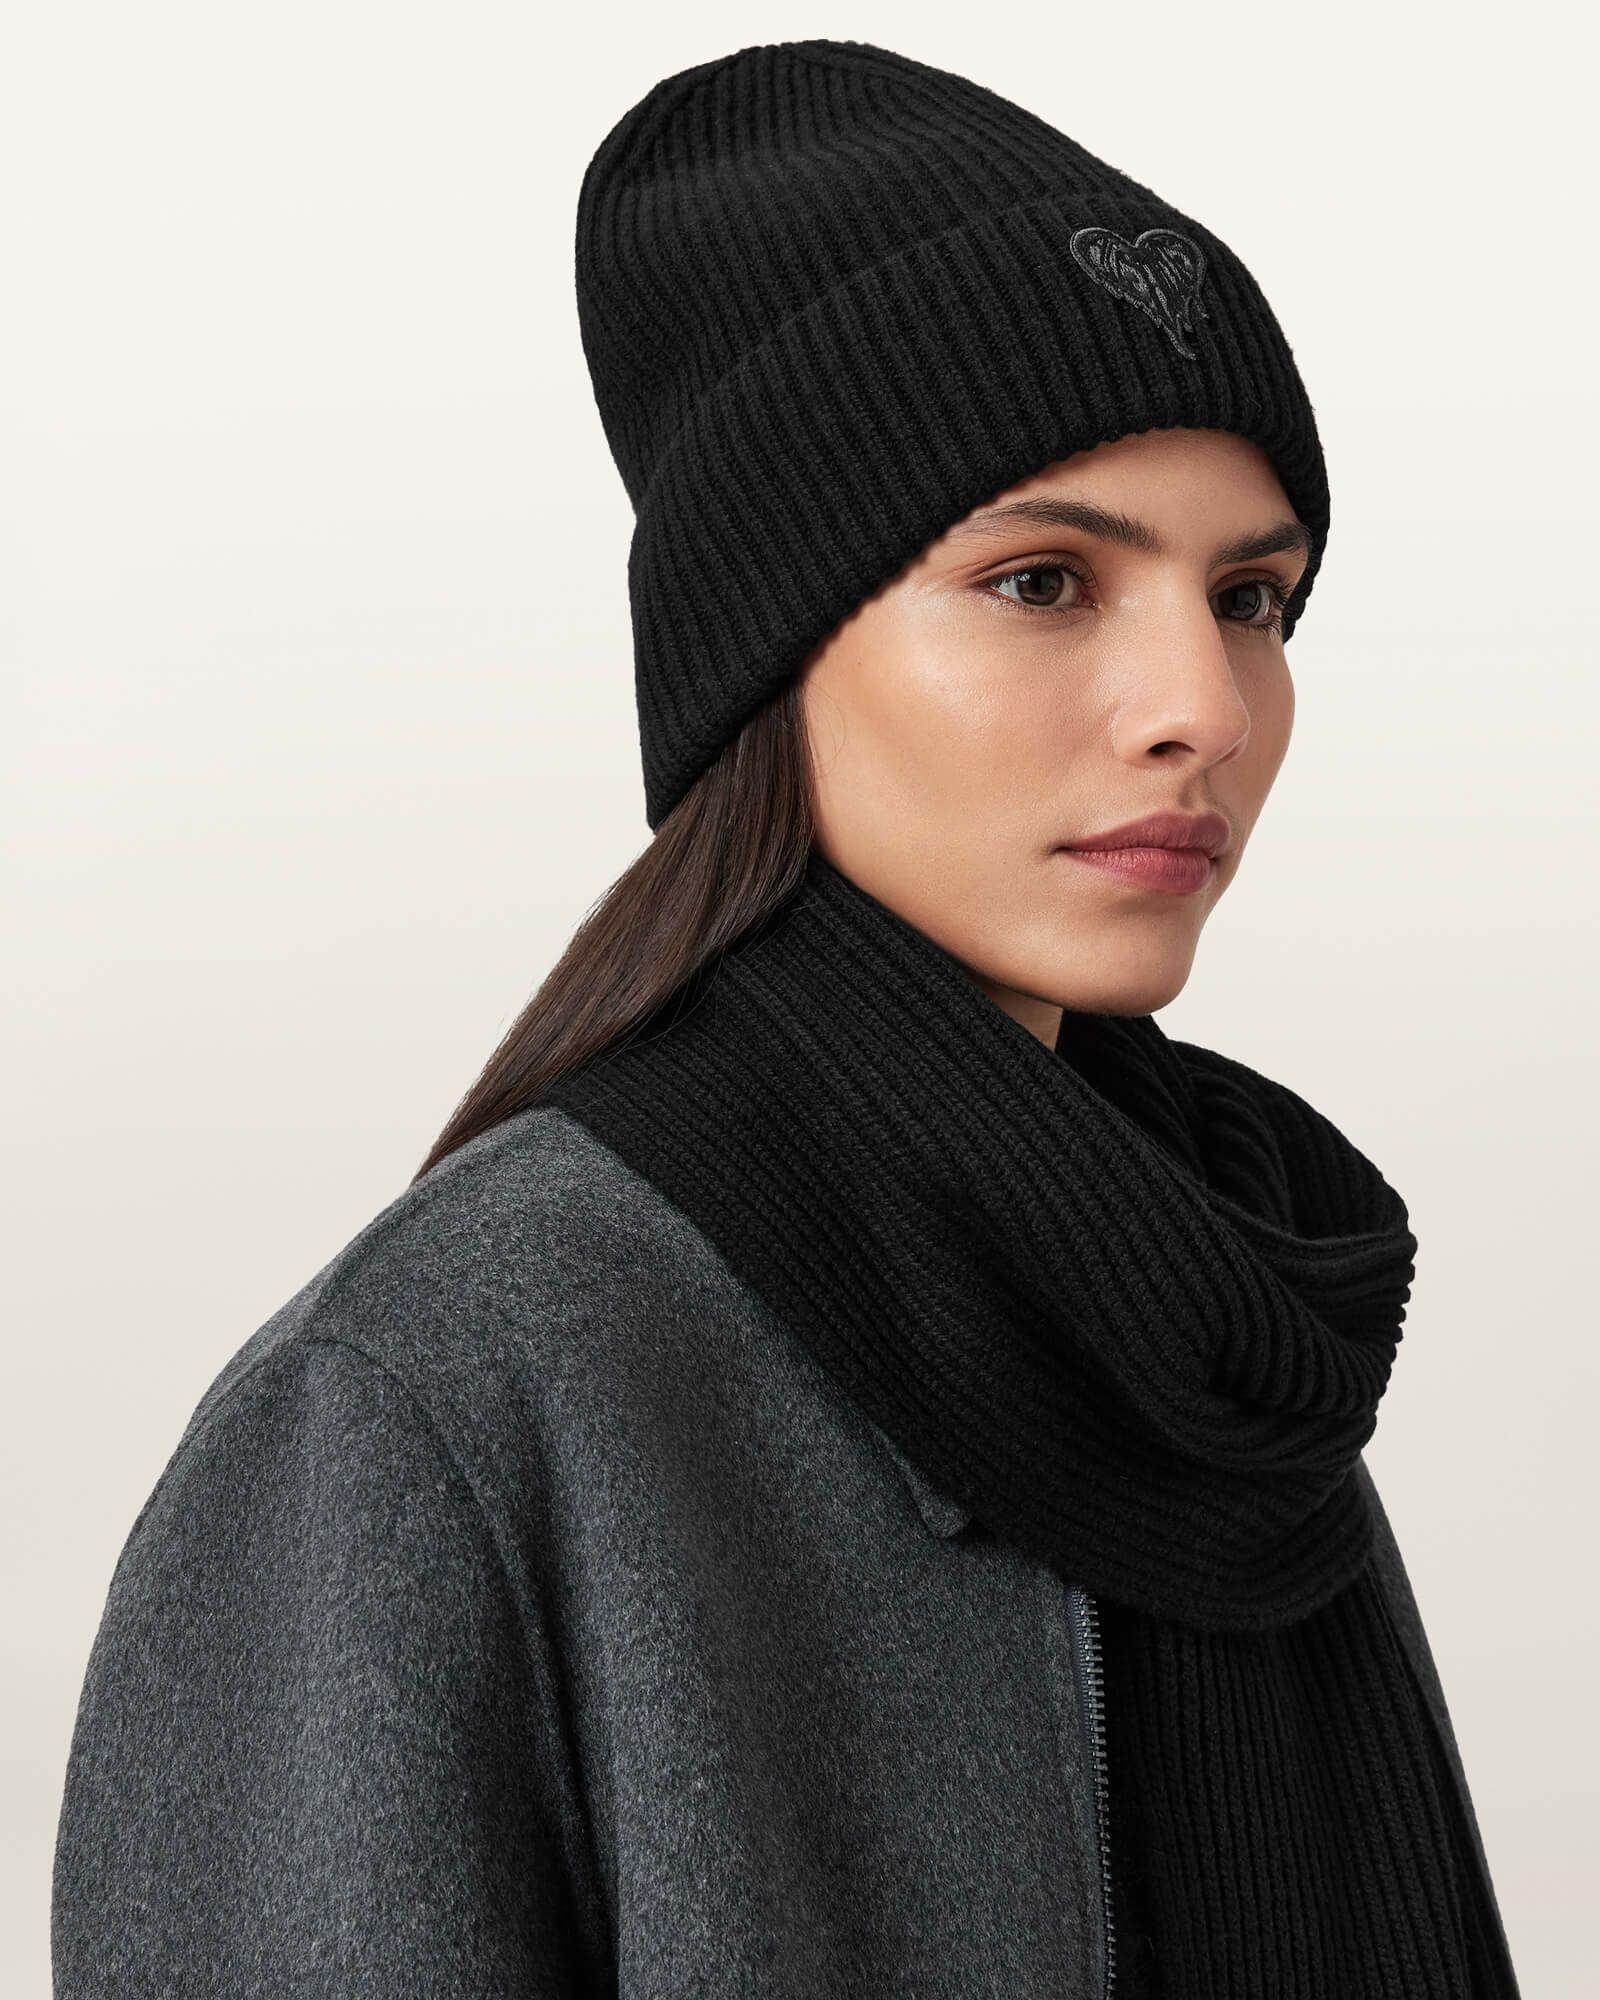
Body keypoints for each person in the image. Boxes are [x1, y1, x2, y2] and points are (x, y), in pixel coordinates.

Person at [52, 37, 1521, 1999]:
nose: (1202, 708)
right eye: (1041, 579)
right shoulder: (432, 1401)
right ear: (769, 651)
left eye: (1251, 598)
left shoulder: (1221, 1346)